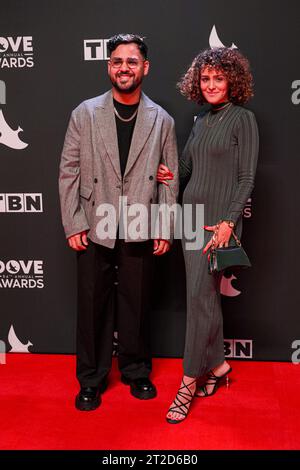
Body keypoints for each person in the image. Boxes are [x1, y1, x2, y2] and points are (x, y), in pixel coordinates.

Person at [59, 33, 178, 411]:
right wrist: (73, 222)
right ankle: (91, 379)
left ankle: (136, 370)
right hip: (96, 220)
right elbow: (68, 172)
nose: (123, 67)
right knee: (92, 305)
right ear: (108, 66)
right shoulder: (85, 113)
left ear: (145, 67)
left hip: (140, 219)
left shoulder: (162, 121)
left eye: (131, 61)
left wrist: (164, 226)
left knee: (136, 303)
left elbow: (170, 177)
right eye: (116, 61)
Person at [157, 47, 259, 423]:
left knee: (200, 298)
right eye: (206, 78)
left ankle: (187, 383)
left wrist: (230, 222)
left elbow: (246, 178)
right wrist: (168, 175)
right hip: (190, 218)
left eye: (218, 78)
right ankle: (218, 367)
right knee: (201, 298)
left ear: (232, 81)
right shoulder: (200, 118)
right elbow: (186, 166)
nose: (212, 84)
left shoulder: (243, 119)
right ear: (197, 83)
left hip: (218, 222)